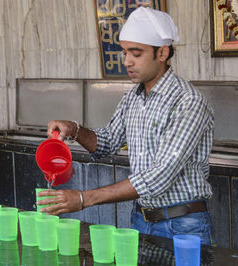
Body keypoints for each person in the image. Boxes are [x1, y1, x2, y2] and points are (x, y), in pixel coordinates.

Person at [38, 7, 215, 245]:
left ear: (162, 53)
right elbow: (107, 142)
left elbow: (159, 176)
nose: (127, 62)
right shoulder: (133, 97)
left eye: (136, 53)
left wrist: (83, 198)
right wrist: (75, 130)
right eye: (124, 53)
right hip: (141, 219)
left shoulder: (188, 101)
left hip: (183, 224)